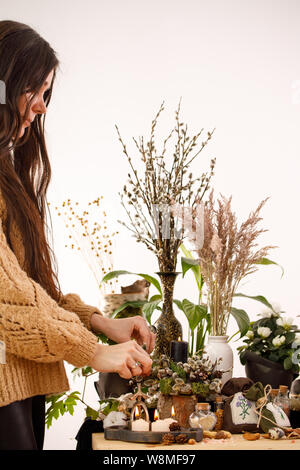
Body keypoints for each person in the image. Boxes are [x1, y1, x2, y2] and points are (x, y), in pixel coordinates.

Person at [0, 20, 155, 450]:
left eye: (46, 92)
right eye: (32, 89)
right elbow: (4, 301)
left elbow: (28, 288)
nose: (41, 106)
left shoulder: (8, 177)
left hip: (21, 386)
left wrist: (101, 322)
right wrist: (93, 351)